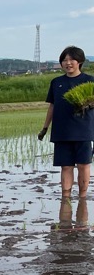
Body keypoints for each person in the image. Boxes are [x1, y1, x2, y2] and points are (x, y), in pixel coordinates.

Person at [38, 46, 94, 198]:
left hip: (83, 130)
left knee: (83, 165)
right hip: (62, 130)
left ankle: (83, 196)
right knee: (66, 166)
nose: (68, 63)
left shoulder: (90, 81)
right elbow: (52, 106)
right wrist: (44, 128)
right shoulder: (56, 82)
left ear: (80, 62)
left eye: (71, 60)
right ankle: (66, 196)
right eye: (64, 60)